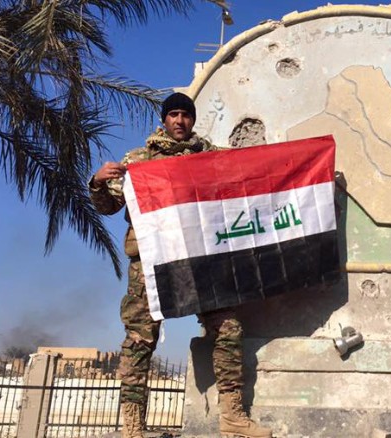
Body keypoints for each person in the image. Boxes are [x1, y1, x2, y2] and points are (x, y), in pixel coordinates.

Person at [90, 93, 272, 438]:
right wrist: (98, 182)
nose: (179, 121)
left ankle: (232, 415)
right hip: (152, 263)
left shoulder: (210, 156)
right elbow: (108, 207)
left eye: (185, 115)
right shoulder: (137, 161)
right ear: (164, 119)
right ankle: (132, 424)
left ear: (192, 120)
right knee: (140, 339)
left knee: (229, 328)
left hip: (202, 260)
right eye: (173, 114)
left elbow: (248, 175)